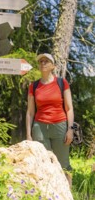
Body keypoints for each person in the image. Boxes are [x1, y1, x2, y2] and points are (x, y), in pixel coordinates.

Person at [26, 53, 74, 186]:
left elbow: (69, 108)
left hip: (60, 126)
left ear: (53, 66)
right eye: (40, 61)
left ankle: (68, 195)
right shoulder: (34, 86)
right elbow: (30, 112)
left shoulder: (61, 83)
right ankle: (47, 194)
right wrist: (28, 135)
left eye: (46, 61)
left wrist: (70, 130)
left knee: (63, 164)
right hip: (39, 127)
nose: (42, 63)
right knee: (43, 162)